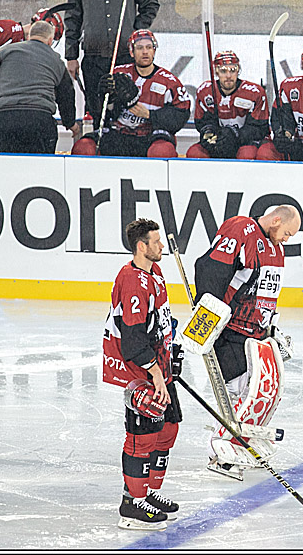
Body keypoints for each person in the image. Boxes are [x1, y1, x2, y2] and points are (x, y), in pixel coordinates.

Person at [193, 206, 301, 479]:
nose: (286, 239)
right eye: (287, 233)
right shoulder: (241, 229)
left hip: (256, 332)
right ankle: (222, 450)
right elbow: (210, 270)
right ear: (276, 220)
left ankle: (238, 442)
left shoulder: (276, 248)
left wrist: (270, 328)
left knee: (262, 390)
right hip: (230, 330)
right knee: (240, 390)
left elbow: (267, 293)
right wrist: (207, 320)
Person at [102, 218, 182, 530]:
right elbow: (133, 338)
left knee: (169, 427)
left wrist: (172, 352)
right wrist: (156, 373)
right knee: (142, 435)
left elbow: (161, 321)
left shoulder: (156, 273)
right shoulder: (132, 280)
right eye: (156, 241)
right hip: (139, 368)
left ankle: (148, 492)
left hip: (159, 365)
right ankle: (131, 503)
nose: (161, 246)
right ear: (141, 246)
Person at [65, 0, 160, 127]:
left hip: (124, 55)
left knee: (124, 107)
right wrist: (71, 56)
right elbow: (72, 20)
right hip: (93, 56)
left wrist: (136, 29)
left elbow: (151, 4)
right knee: (96, 108)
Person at [0, 20, 77, 154]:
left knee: (9, 165)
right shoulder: (56, 61)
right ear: (50, 40)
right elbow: (66, 95)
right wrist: (70, 123)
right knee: (40, 168)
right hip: (39, 120)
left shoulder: (5, 51)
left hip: (5, 120)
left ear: (29, 36)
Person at [97, 29, 189, 158]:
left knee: (162, 151)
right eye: (139, 48)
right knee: (84, 146)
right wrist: (103, 96)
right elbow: (102, 111)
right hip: (120, 135)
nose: (145, 52)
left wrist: (150, 115)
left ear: (154, 50)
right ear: (131, 52)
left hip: (150, 137)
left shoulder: (169, 82)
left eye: (149, 47)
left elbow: (181, 115)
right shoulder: (117, 74)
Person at [187, 50, 270, 160]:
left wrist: (235, 135)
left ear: (238, 70)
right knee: (194, 153)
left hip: (245, 142)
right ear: (216, 71)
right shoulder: (205, 91)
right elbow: (203, 122)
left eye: (232, 70)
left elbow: (259, 128)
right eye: (223, 71)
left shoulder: (254, 93)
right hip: (219, 140)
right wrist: (208, 132)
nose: (228, 76)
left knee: (247, 155)